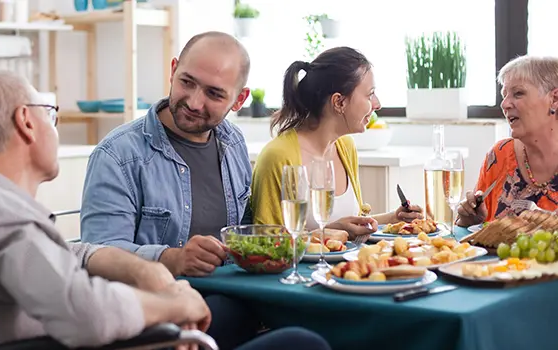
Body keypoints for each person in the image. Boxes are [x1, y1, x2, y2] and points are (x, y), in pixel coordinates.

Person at [0, 71, 331, 350]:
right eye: (50, 114)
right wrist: (171, 307)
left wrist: (153, 272)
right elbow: (87, 313)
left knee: (233, 313)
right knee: (299, 342)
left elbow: (66, 256)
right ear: (26, 122)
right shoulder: (0, 216)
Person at [80, 31, 253, 277]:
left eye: (213, 93)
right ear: (173, 71)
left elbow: (245, 232)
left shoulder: (234, 143)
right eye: (187, 82)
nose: (194, 102)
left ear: (240, 100)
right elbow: (98, 255)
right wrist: (173, 259)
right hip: (153, 305)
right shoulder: (118, 155)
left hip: (232, 296)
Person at [250, 47, 424, 239]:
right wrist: (326, 232)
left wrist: (393, 218)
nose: (377, 104)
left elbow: (350, 224)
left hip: (347, 267)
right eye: (370, 94)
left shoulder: (345, 147)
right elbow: (264, 243)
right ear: (339, 102)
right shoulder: (277, 157)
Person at [458, 55, 558, 226]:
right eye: (504, 96)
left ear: (554, 99)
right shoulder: (500, 155)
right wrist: (470, 220)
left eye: (518, 93)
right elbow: (475, 239)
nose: (505, 104)